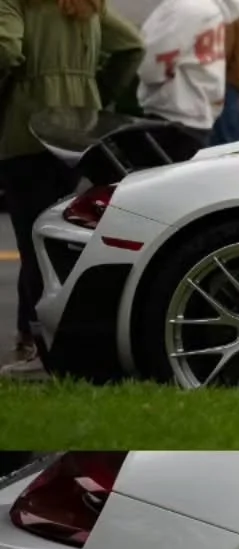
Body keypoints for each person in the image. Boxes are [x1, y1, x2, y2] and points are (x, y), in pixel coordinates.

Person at [0, 0, 144, 378]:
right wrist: (95, 91)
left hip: (27, 129)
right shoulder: (88, 3)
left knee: (33, 240)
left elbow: (5, 49)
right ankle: (51, 339)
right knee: (63, 241)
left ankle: (39, 349)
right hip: (81, 130)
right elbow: (132, 46)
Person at [139, 0, 239, 143]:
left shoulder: (187, 7)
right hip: (197, 114)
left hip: (172, 114)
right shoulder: (211, 10)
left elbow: (153, 63)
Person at [210, 7, 239, 144]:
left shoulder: (226, 19)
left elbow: (221, 52)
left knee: (226, 136)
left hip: (224, 82)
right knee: (229, 132)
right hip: (237, 80)